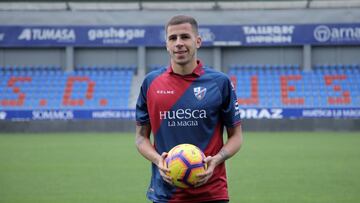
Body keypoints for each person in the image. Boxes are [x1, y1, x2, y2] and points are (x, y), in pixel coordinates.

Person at [135, 15, 243, 203]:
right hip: (166, 194)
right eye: (172, 38)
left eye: (185, 37)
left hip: (212, 192)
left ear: (198, 41)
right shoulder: (151, 83)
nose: (178, 43)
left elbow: (236, 136)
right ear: (166, 44)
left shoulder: (220, 83)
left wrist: (216, 159)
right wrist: (157, 160)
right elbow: (141, 137)